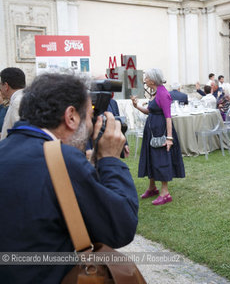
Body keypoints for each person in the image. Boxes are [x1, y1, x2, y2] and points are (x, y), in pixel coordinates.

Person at [0, 73, 138, 283]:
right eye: (88, 116)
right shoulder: (61, 160)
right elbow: (120, 226)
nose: (91, 126)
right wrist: (110, 159)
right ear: (71, 116)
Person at [131, 68, 185, 205]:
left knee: (161, 159)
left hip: (161, 131)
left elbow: (168, 118)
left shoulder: (163, 94)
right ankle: (152, 187)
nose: (145, 80)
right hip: (151, 131)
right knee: (151, 158)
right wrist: (136, 105)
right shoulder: (155, 93)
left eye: (147, 78)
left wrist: (169, 138)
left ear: (153, 80)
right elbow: (149, 111)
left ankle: (165, 193)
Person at [0, 67, 26, 140]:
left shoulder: (17, 102)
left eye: (0, 84)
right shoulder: (23, 98)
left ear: (6, 86)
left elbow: (21, 132)